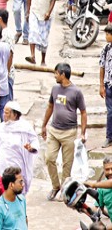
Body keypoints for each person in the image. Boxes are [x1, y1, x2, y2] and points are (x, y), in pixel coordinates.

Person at [42, 62, 87, 201]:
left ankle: (64, 189)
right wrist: (44, 125)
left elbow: (83, 112)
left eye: (56, 73)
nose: (55, 75)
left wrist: (83, 133)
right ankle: (55, 186)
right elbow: (50, 107)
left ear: (63, 74)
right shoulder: (55, 89)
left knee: (67, 164)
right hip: (54, 130)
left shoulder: (76, 92)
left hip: (69, 132)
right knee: (49, 158)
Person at [0, 101, 38, 194]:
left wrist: (31, 148)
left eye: (6, 112)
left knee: (17, 190)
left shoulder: (25, 127)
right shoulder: (1, 128)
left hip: (18, 165)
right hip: (2, 166)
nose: (3, 115)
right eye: (4, 112)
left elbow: (34, 141)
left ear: (14, 114)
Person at [25, 0, 56, 65]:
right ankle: (32, 56)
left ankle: (43, 60)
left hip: (46, 14)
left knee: (44, 38)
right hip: (34, 11)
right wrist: (27, 12)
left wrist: (49, 12)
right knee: (33, 32)